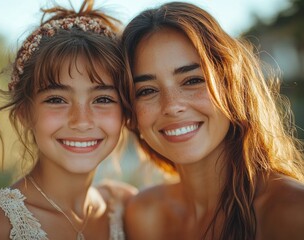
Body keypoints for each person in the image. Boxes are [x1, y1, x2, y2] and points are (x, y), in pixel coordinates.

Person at [120, 2, 304, 239]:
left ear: (232, 85)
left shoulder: (292, 212)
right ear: (131, 114)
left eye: (192, 80)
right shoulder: (144, 214)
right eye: (146, 91)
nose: (172, 106)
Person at [0, 0, 137, 239]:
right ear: (25, 112)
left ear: (125, 112)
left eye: (103, 99)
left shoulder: (127, 207)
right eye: (57, 100)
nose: (81, 121)